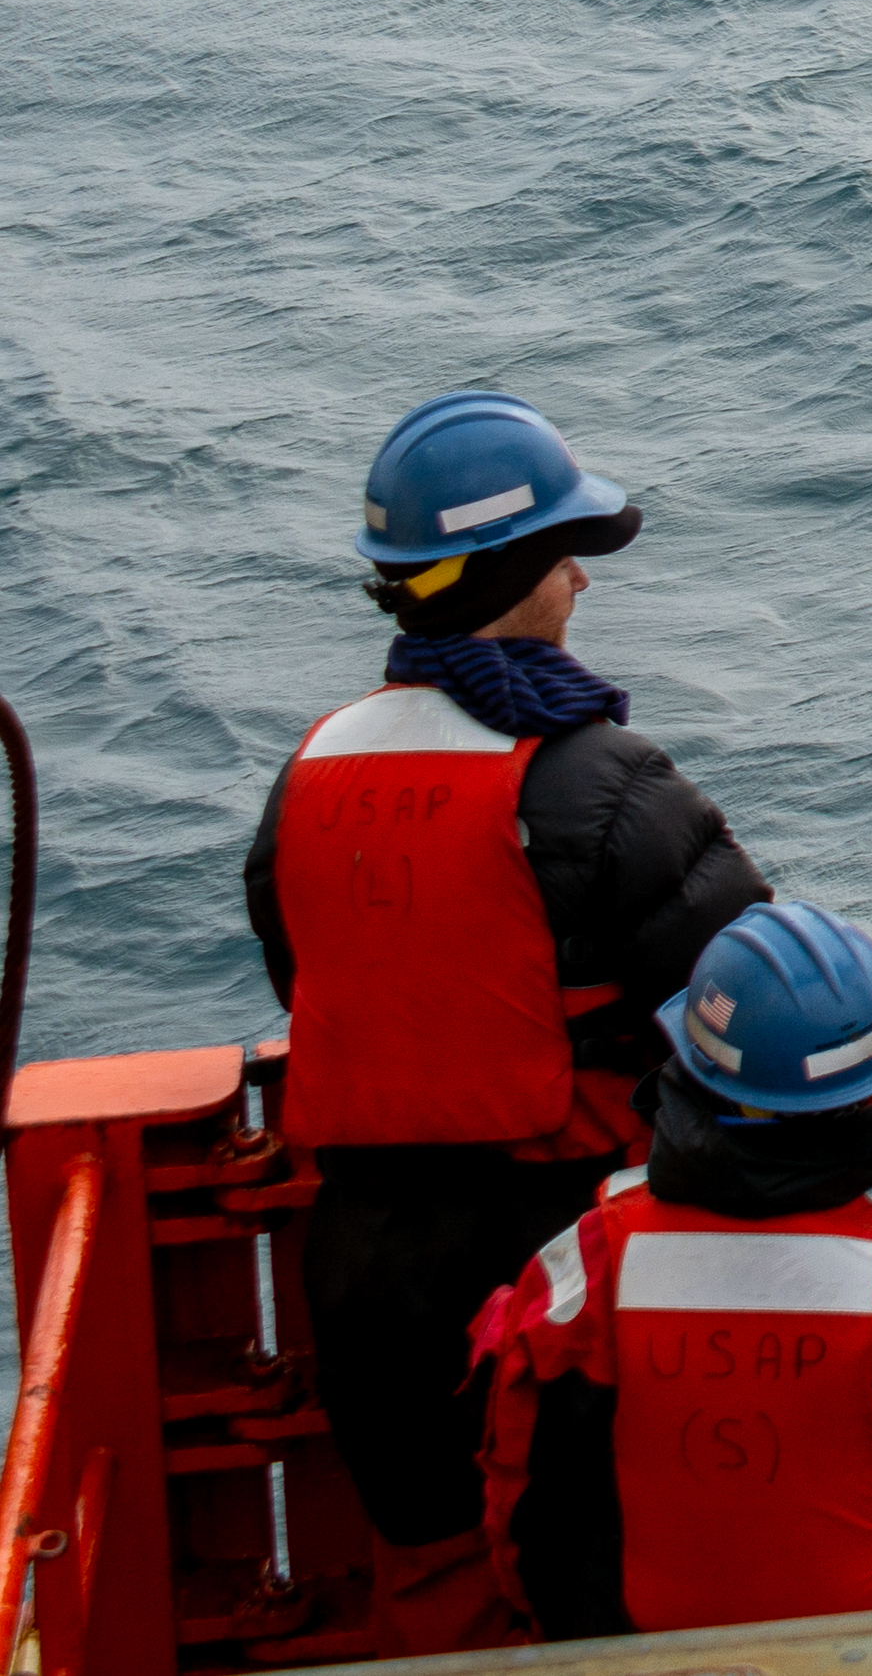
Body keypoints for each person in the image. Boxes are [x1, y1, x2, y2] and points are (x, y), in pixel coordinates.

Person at [244, 390, 770, 1658]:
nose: (582, 580)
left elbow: (298, 976)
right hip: (559, 1260)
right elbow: (749, 995)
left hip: (366, 1276)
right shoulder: (600, 782)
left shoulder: (308, 772)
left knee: (431, 1574)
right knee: (597, 1574)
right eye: (561, 554)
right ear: (512, 576)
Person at [471, 903, 872, 1639]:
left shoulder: (589, 1259)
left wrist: (531, 1604)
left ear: (693, 1070)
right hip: (868, 1656)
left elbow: (519, 1475)